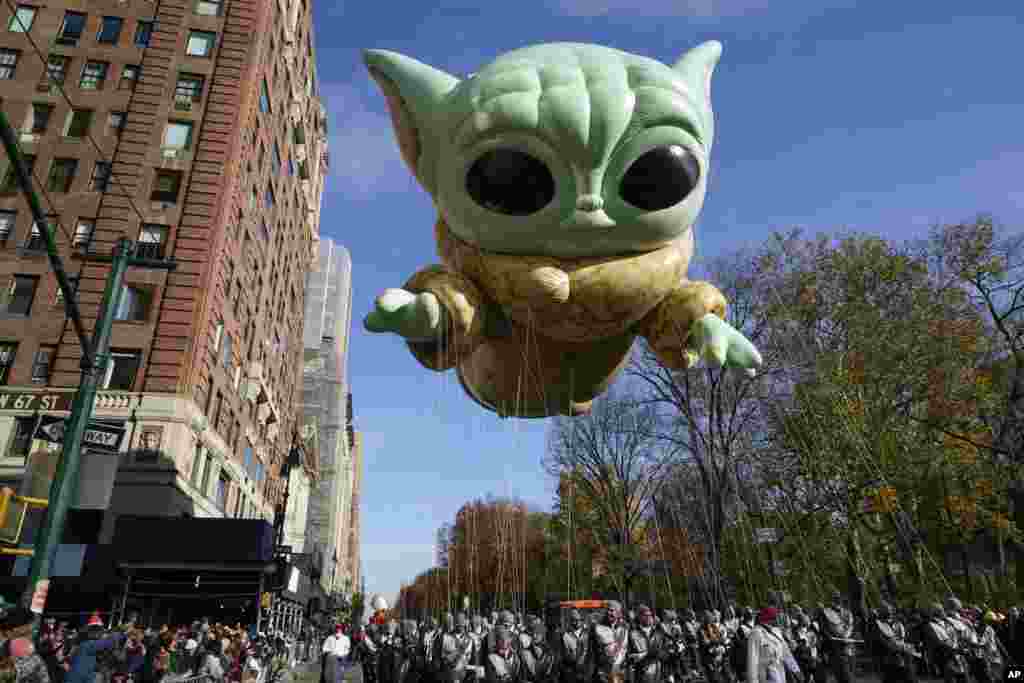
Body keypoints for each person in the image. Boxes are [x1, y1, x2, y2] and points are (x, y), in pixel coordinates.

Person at [746, 608, 801, 683]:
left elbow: (786, 653)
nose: (780, 619)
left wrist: (796, 670)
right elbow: (752, 661)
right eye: (778, 616)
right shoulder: (755, 633)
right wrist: (753, 681)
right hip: (766, 676)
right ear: (771, 618)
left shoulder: (777, 631)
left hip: (780, 673)